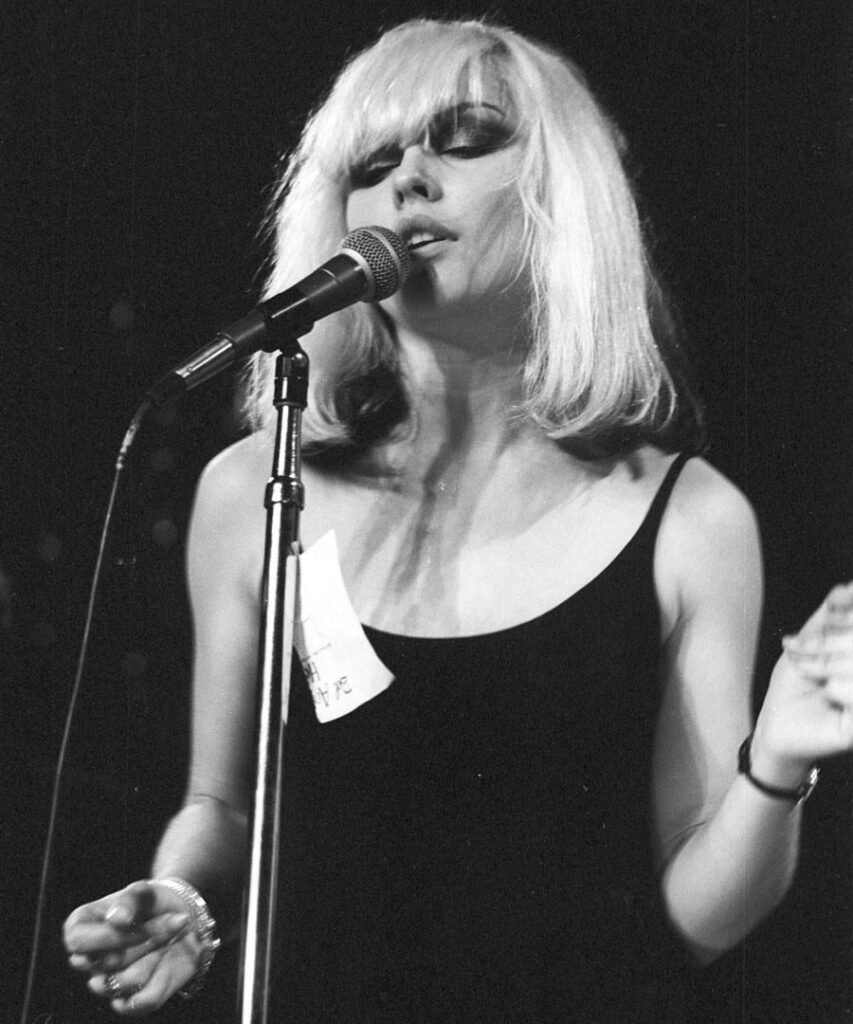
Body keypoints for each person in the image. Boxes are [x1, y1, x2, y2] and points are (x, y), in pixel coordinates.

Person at [63, 17, 853, 1022]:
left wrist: (778, 761)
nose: (408, 180)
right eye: (374, 160)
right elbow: (220, 806)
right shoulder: (252, 489)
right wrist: (179, 895)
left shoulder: (688, 519)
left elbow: (696, 913)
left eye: (465, 138)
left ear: (561, 192)